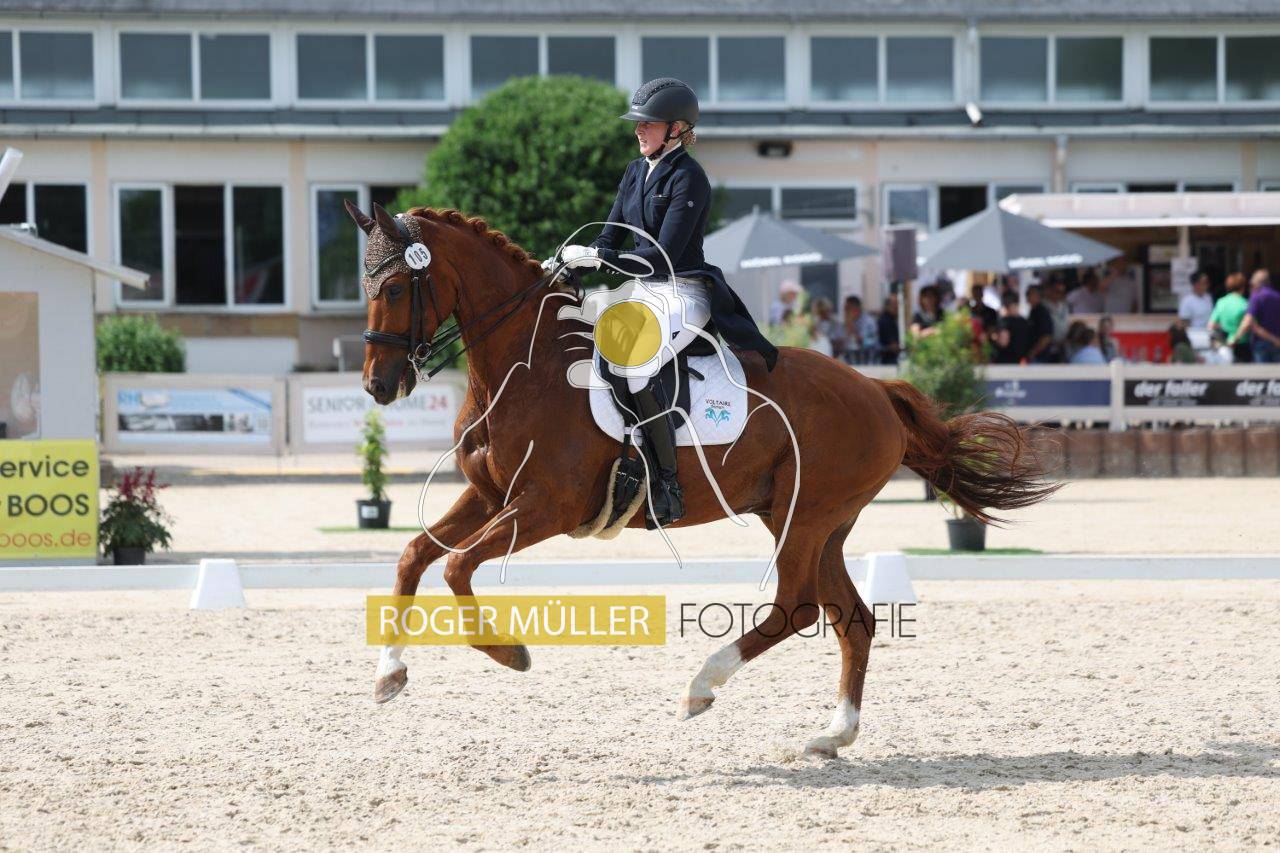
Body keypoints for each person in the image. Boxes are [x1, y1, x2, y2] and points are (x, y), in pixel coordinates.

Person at [552, 77, 778, 526]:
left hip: (682, 290)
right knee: (585, 345)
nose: (639, 130)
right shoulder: (635, 172)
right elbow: (609, 237)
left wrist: (602, 258)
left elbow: (664, 255)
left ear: (676, 129)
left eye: (649, 123)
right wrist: (569, 260)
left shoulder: (688, 177)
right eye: (638, 123)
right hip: (641, 292)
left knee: (635, 367)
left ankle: (667, 483)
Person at [1234, 269, 1280, 364]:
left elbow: (1248, 321)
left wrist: (1236, 338)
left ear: (1256, 283)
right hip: (1277, 342)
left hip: (1261, 343)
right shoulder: (1277, 296)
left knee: (1262, 373)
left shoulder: (1256, 296)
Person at [1210, 272, 1251, 363]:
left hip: (1224, 344)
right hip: (1242, 344)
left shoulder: (1221, 302)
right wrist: (1235, 339)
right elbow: (1247, 324)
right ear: (1243, 287)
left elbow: (1211, 325)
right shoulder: (1245, 304)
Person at [991, 290, 1033, 364]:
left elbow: (1003, 342)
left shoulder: (1005, 322)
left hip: (1006, 361)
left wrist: (994, 338)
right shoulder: (1025, 322)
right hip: (1022, 361)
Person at [840, 294, 879, 364]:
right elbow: (844, 344)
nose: (845, 311)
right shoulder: (846, 322)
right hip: (850, 359)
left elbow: (867, 343)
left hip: (866, 360)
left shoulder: (869, 322)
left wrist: (852, 327)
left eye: (847, 308)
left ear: (855, 308)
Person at [1024, 284, 1057, 363]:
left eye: (1029, 294)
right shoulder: (1033, 311)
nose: (1027, 296)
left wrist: (1033, 352)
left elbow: (1046, 336)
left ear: (1037, 295)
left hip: (1040, 357)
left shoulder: (1041, 312)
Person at [877, 294, 901, 365]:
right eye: (895, 305)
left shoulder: (889, 319)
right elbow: (893, 346)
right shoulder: (887, 321)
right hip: (889, 360)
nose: (897, 307)